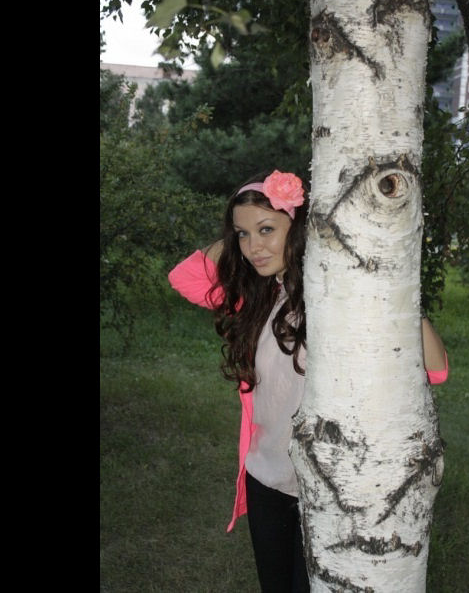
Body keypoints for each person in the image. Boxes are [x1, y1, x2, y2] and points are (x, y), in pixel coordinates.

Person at [168, 169, 448, 592]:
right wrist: (247, 222)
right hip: (265, 478)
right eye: (243, 235)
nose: (253, 247)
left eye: (267, 229)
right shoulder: (258, 298)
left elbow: (436, 368)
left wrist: (392, 291)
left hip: (325, 492)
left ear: (298, 229)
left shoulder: (339, 300)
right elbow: (185, 277)